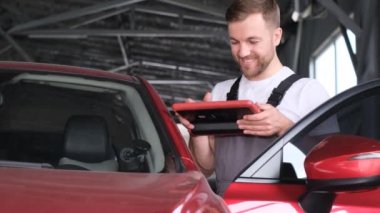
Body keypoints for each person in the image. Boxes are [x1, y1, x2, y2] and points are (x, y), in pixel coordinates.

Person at [178, 0, 330, 196]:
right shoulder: (220, 92)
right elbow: (205, 168)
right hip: (228, 207)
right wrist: (196, 129)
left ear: (276, 36)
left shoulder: (308, 91)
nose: (242, 52)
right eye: (234, 42)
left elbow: (329, 160)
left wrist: (285, 127)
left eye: (252, 41)